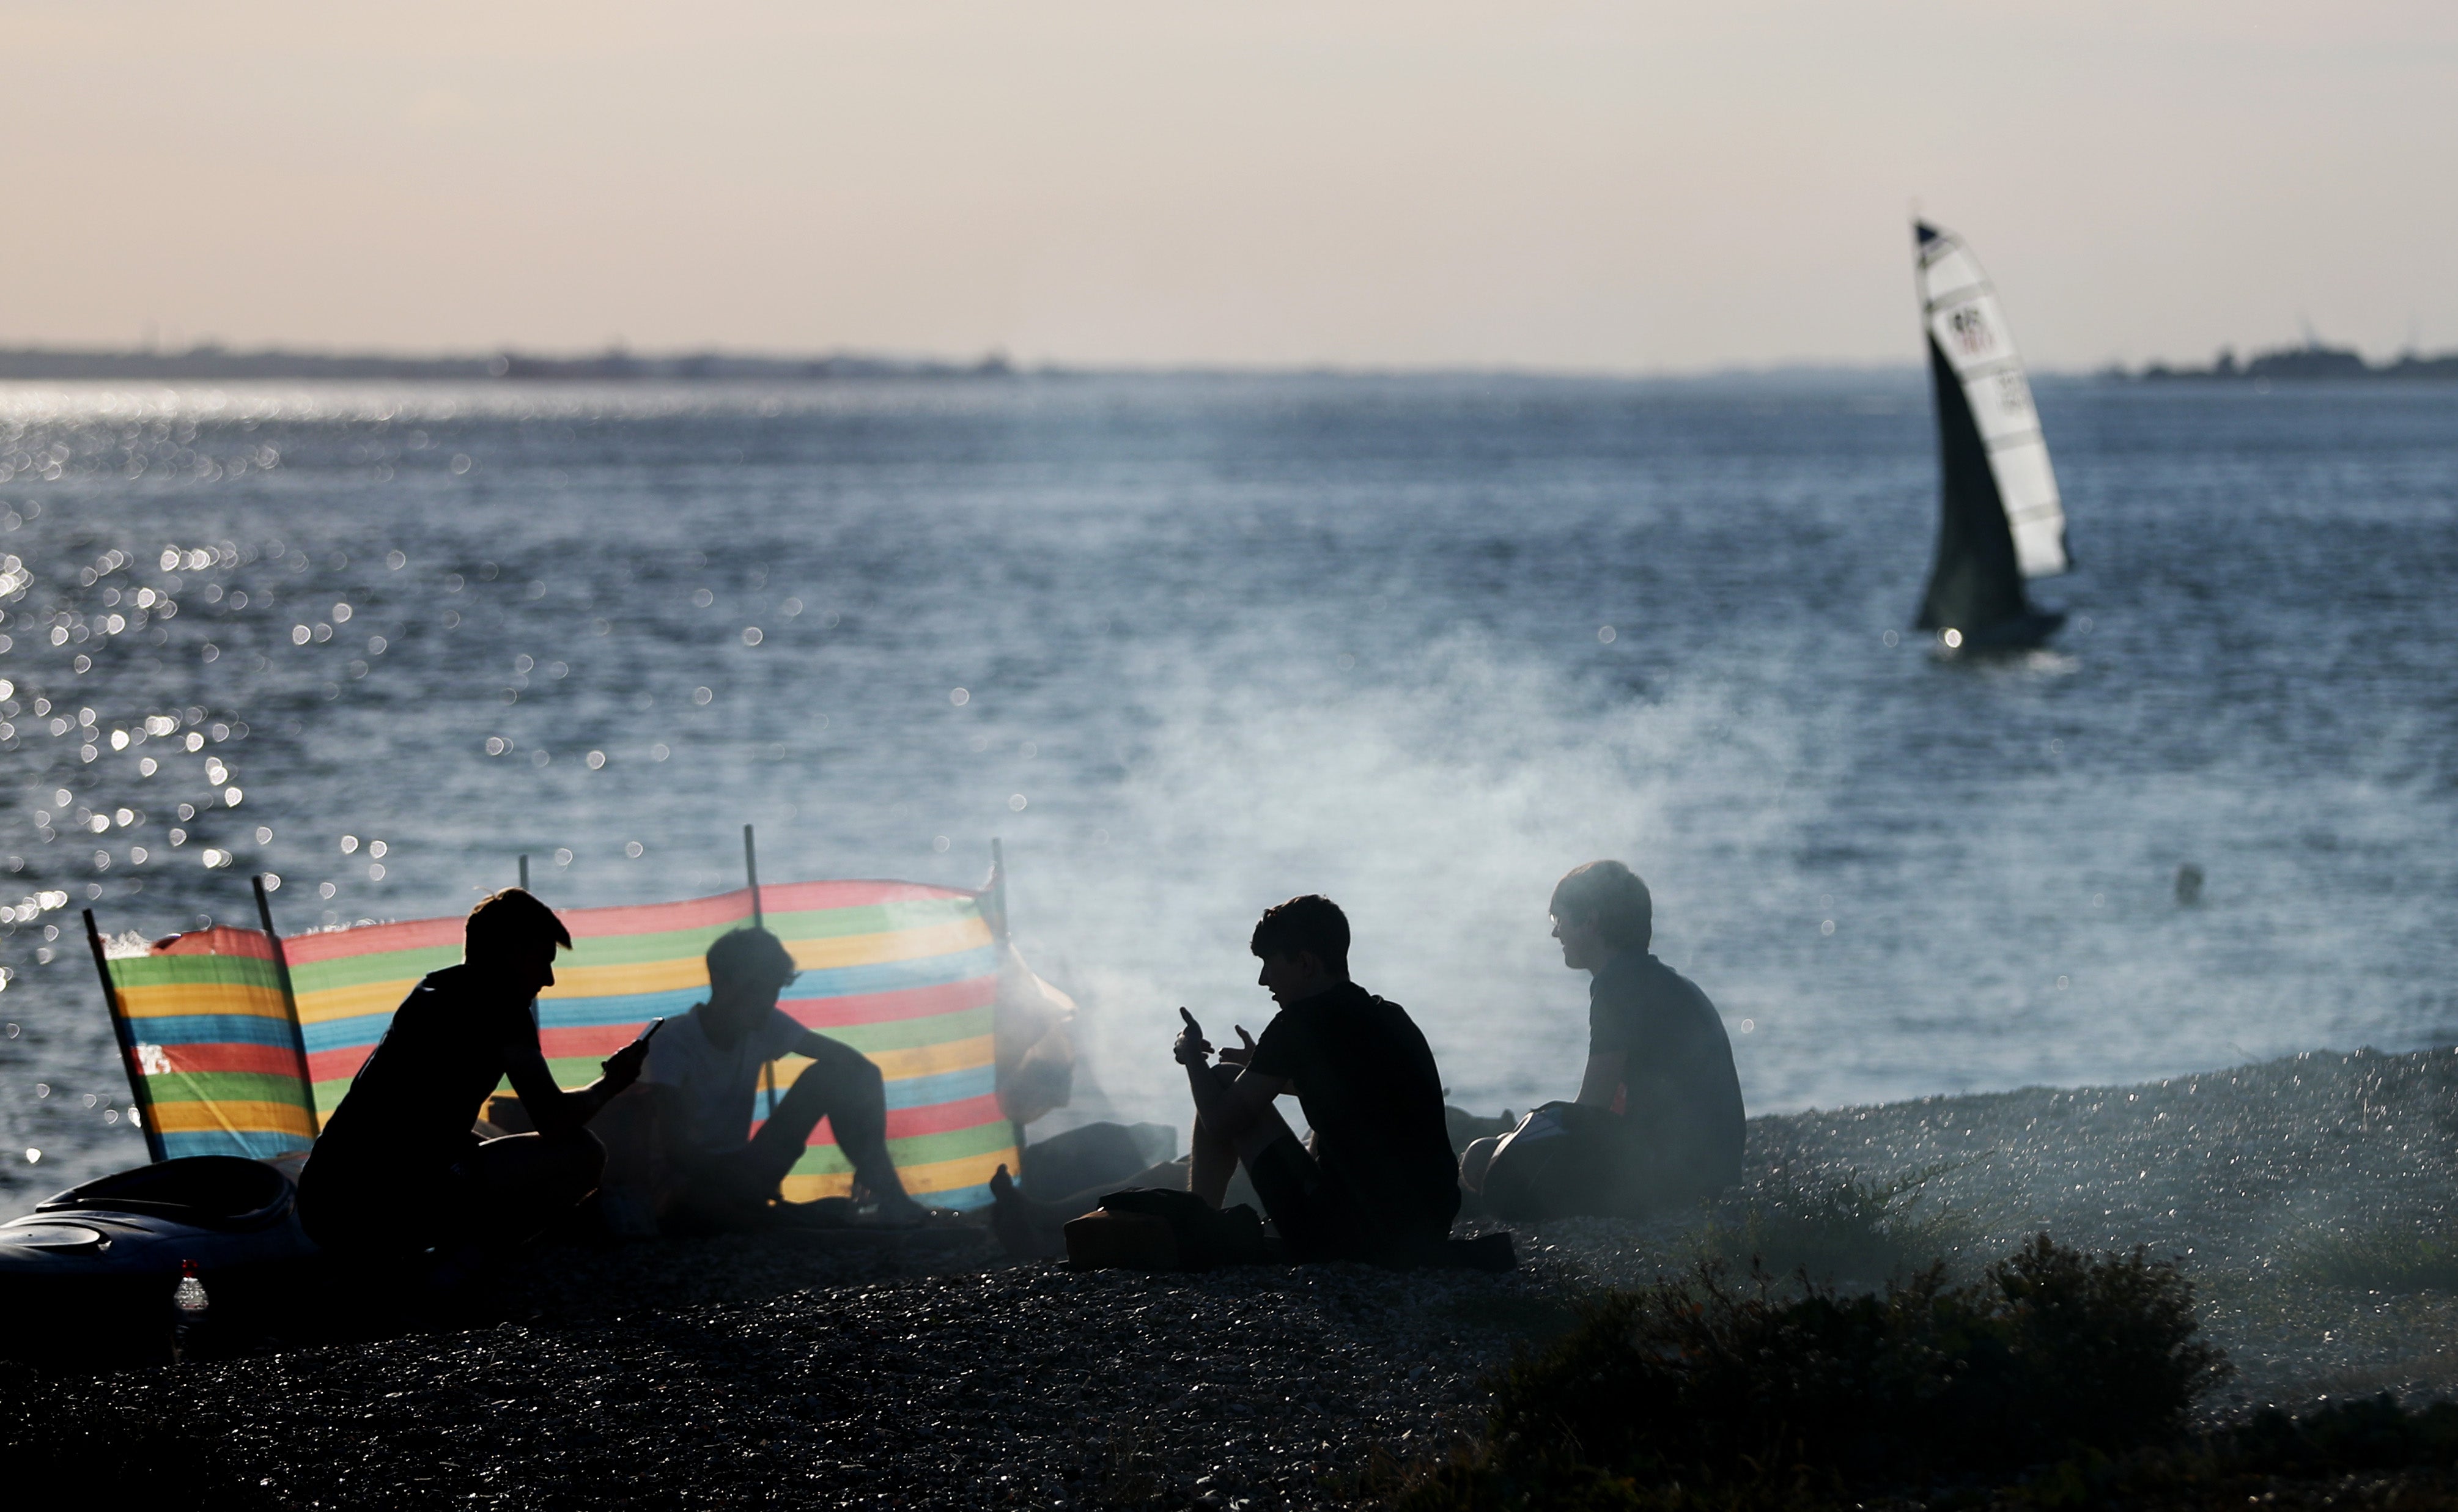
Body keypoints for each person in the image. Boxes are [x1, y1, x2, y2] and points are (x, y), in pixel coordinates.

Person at [297, 889, 644, 1263]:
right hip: (377, 1201)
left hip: (323, 1199)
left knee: (488, 1145)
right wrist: (612, 1084)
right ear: (512, 953)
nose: (548, 980)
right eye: (542, 961)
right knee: (582, 1154)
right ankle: (460, 1270)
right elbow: (554, 1120)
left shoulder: (432, 990)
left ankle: (418, 1267)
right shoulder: (503, 1008)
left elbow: (419, 1121)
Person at [1172, 894, 1460, 1263]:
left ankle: (1197, 1232)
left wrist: (1193, 1058)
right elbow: (1350, 1092)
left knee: (1223, 1080)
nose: (1263, 980)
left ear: (1305, 963)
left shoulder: (1299, 1023)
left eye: (1268, 965)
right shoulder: (1388, 1016)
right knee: (1247, 1083)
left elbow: (1220, 1122)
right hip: (1426, 1229)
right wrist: (1264, 1066)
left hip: (1353, 1237)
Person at [1460, 861, 1745, 1219]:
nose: (1555, 934)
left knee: (1480, 1158)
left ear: (1590, 921)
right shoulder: (1661, 982)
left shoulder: (1619, 987)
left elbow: (1591, 1107)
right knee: (1503, 1152)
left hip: (1670, 1178)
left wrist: (1514, 1141)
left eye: (1558, 920)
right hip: (1705, 1174)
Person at [616, 926, 926, 1229]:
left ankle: (890, 1196)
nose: (766, 1002)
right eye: (756, 989)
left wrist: (871, 1159)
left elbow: (860, 1069)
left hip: (741, 1171)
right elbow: (676, 1152)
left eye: (773, 990)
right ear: (722, 982)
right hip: (681, 1188)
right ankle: (774, 1217)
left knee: (834, 1075)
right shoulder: (672, 1042)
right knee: (729, 1211)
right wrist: (735, 1182)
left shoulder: (763, 1023)